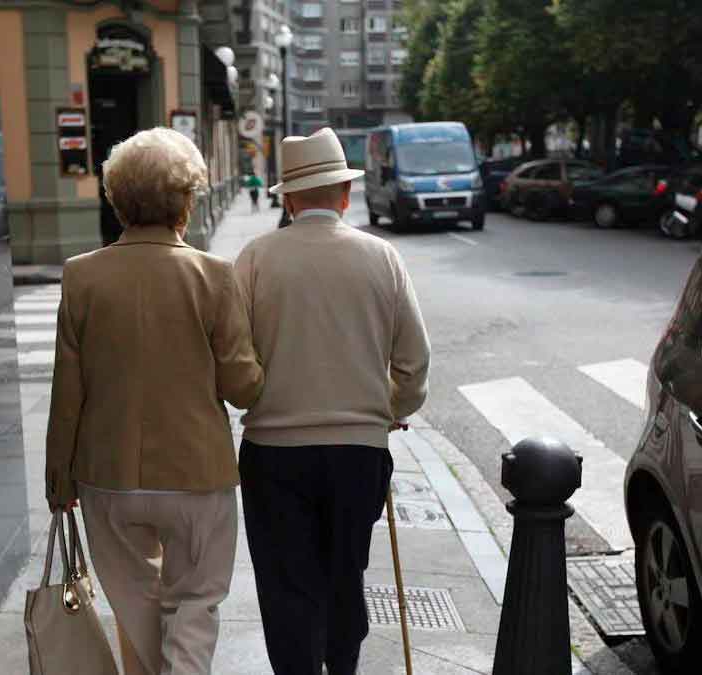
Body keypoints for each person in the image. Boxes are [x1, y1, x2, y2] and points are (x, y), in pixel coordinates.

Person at [44, 127, 265, 675]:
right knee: (195, 602)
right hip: (197, 473)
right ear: (186, 202)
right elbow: (242, 387)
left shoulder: (81, 276)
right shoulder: (214, 276)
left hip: (107, 474)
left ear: (117, 200)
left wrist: (59, 478)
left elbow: (67, 391)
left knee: (135, 600)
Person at [233, 127, 432, 674]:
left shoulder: (254, 259)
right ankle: (342, 667)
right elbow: (413, 363)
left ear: (289, 199)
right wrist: (389, 410)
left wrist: (261, 397)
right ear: (345, 195)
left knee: (286, 586)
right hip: (358, 451)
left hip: (274, 451)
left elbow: (234, 361)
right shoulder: (382, 257)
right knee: (346, 575)